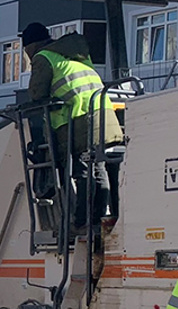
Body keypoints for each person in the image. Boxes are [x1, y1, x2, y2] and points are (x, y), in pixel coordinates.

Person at [22, 22, 122, 229]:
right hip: (104, 113)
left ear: (30, 46)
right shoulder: (75, 54)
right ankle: (100, 217)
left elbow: (37, 93)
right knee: (99, 165)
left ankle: (83, 220)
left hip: (79, 117)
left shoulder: (44, 57)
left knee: (83, 169)